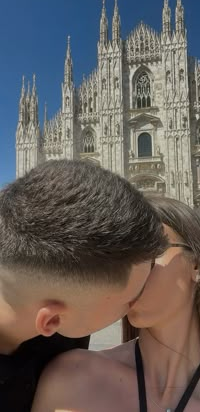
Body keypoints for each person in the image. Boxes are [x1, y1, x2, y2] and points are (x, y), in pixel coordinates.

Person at [32, 196, 200, 412]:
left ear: (197, 265)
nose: (129, 273)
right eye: (119, 258)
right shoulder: (73, 378)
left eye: (149, 252)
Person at [0, 160, 167, 412]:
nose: (138, 302)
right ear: (52, 321)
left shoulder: (64, 334)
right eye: (129, 299)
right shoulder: (64, 333)